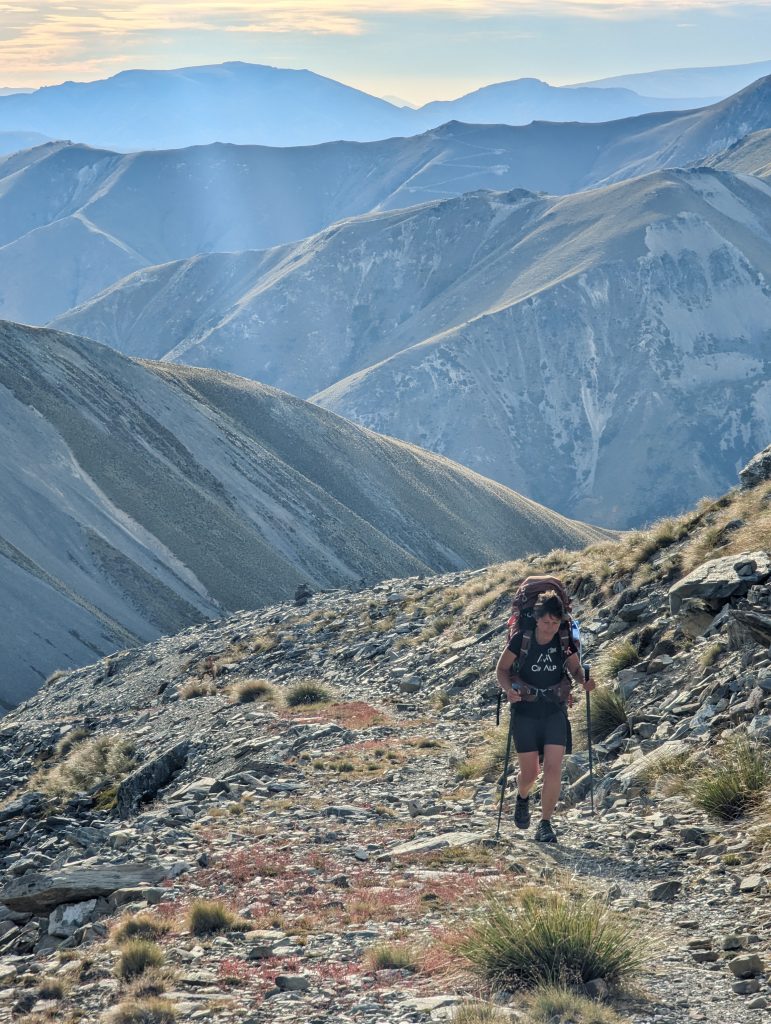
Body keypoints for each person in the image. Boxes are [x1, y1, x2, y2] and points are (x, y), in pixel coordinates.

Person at [495, 590, 595, 843]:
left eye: (556, 622)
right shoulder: (521, 639)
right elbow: (502, 669)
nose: (551, 627)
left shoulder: (564, 640)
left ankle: (545, 823)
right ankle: (523, 796)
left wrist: (584, 681)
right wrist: (509, 690)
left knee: (553, 768)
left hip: (554, 710)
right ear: (537, 619)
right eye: (547, 622)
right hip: (525, 711)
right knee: (530, 774)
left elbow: (574, 668)